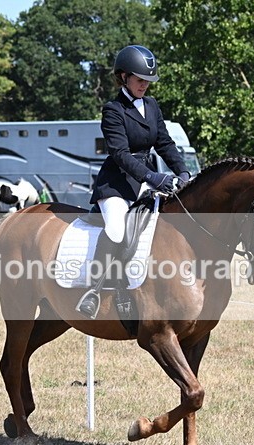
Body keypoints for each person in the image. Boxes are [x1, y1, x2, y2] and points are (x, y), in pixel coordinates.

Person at [76, 45, 191, 318]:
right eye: (140, 80)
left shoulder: (151, 106)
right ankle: (94, 290)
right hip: (117, 183)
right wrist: (153, 177)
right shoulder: (112, 110)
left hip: (146, 180)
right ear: (124, 76)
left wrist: (182, 172)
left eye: (148, 81)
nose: (145, 86)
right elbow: (120, 154)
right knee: (117, 230)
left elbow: (164, 142)